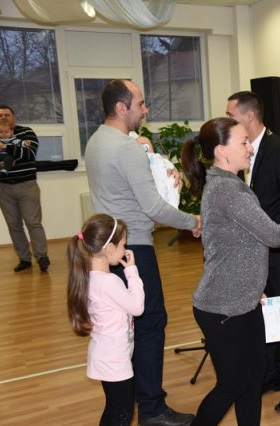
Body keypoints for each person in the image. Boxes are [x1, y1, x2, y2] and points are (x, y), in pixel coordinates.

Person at [180, 117, 280, 426]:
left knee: (251, 380)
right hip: (222, 307)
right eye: (244, 142)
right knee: (232, 385)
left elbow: (244, 243)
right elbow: (272, 235)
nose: (250, 147)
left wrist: (253, 283)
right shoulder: (226, 189)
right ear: (222, 151)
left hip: (243, 301)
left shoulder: (230, 184)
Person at [85, 79, 200, 426]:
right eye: (140, 104)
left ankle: (130, 398)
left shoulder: (97, 141)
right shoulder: (125, 148)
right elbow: (153, 207)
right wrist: (194, 221)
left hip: (110, 249)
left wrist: (162, 169)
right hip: (133, 247)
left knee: (127, 326)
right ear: (121, 107)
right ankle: (151, 408)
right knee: (150, 322)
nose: (145, 110)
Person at [226, 91, 280, 412]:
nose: (227, 120)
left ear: (249, 116)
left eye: (231, 115)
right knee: (267, 316)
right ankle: (272, 374)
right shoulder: (243, 150)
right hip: (257, 253)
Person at [67, 214, 144, 426]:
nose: (125, 249)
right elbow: (137, 307)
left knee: (114, 409)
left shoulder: (89, 277)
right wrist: (132, 272)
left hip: (105, 354)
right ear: (110, 248)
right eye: (123, 244)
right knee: (122, 413)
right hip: (114, 360)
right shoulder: (109, 282)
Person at [0, 105, 50, 273]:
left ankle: (42, 257)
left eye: (7, 114)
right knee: (14, 225)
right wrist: (15, 154)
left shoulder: (27, 133)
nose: (3, 117)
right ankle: (24, 258)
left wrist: (4, 149)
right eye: (0, 115)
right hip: (3, 189)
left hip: (27, 186)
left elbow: (30, 154)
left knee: (33, 223)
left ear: (14, 117)